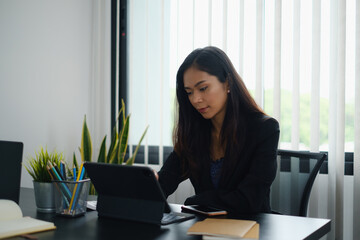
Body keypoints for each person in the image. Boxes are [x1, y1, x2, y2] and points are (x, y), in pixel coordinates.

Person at [157, 46, 280, 214]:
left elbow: (249, 199)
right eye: (189, 92)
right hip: (206, 229)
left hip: (251, 228)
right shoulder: (195, 132)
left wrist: (196, 201)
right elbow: (164, 182)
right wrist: (149, 184)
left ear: (227, 83)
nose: (195, 99)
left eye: (203, 88)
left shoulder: (264, 129)